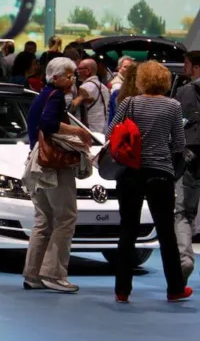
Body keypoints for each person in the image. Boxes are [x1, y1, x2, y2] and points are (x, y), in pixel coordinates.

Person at [107, 61, 191, 303]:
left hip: (130, 172)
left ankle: (122, 290)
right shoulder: (173, 106)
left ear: (140, 80)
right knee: (166, 233)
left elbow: (112, 131)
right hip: (160, 173)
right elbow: (179, 143)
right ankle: (175, 289)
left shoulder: (129, 103)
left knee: (128, 231)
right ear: (164, 81)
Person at [24, 57, 92, 293]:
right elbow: (48, 123)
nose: (72, 80)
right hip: (53, 166)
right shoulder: (55, 97)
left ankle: (33, 274)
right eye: (69, 75)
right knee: (65, 218)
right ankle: (54, 274)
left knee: (43, 221)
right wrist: (78, 131)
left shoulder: (42, 96)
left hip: (36, 164)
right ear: (56, 77)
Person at [173, 51, 200, 281]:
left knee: (182, 213)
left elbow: (177, 126)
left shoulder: (184, 92)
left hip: (191, 155)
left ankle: (185, 259)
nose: (184, 69)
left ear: (196, 67)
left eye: (187, 65)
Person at [77, 58, 110, 133]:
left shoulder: (84, 88)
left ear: (88, 71)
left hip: (89, 132)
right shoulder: (104, 87)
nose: (77, 71)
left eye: (79, 68)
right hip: (103, 131)